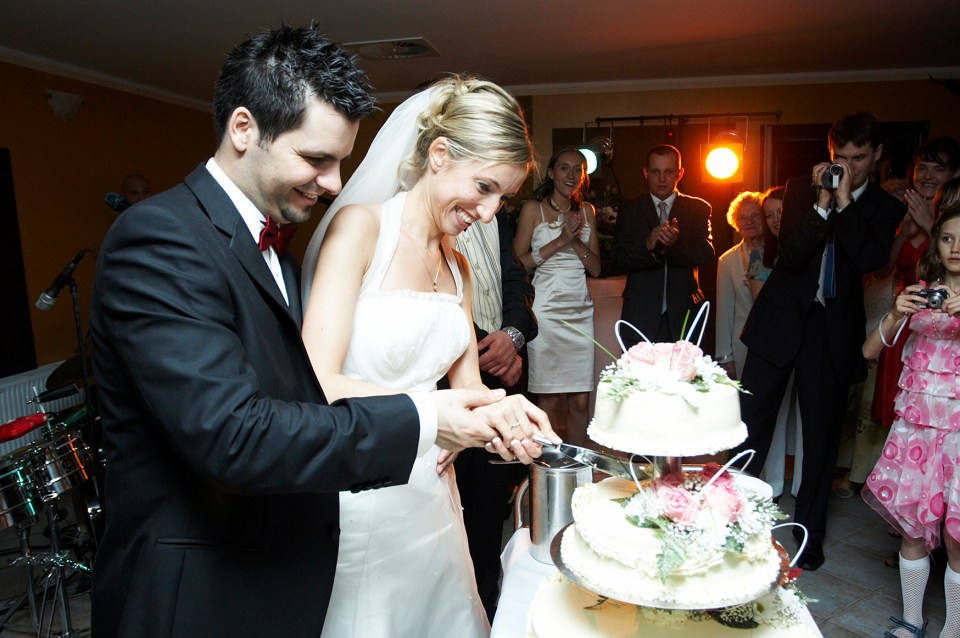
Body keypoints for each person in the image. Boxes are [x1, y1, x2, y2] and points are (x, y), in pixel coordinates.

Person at [89, 28, 552, 638]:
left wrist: (497, 419)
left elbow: (288, 395)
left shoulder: (269, 250)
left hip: (308, 532)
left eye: (340, 161)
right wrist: (426, 416)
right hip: (199, 584)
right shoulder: (161, 238)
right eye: (316, 159)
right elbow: (235, 435)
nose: (334, 182)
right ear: (244, 129)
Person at [300, 76, 545, 638]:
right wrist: (435, 416)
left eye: (502, 197)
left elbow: (468, 391)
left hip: (432, 499)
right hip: (362, 495)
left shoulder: (458, 266)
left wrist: (508, 413)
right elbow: (317, 381)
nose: (490, 212)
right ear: (438, 155)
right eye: (484, 187)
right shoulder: (360, 230)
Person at [734, 112, 906, 571]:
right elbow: (791, 255)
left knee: (821, 438)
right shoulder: (799, 189)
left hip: (831, 332)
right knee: (749, 427)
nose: (848, 166)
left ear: (877, 155)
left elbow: (868, 259)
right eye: (840, 157)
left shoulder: (885, 208)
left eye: (859, 158)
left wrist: (845, 203)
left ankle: (809, 536)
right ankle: (729, 524)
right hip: (780, 321)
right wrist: (822, 203)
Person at [862, 184, 960, 638]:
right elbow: (868, 351)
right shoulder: (921, 293)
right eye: (948, 238)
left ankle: (953, 630)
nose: (955, 248)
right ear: (936, 243)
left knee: (957, 539)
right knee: (912, 530)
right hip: (916, 432)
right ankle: (912, 622)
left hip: (957, 436)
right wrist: (895, 313)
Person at [451, 203, 538, 621]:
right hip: (441, 390)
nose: (491, 205)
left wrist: (512, 336)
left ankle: (487, 613)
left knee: (487, 512)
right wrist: (495, 349)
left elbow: (514, 278)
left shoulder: (493, 212)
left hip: (495, 385)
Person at [513, 147, 601, 445]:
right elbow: (519, 263)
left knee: (580, 402)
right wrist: (561, 239)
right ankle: (546, 465)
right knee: (548, 400)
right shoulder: (532, 209)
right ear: (551, 173)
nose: (571, 174)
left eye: (578, 169)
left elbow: (596, 268)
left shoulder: (587, 211)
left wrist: (575, 241)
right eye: (564, 168)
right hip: (546, 312)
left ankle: (577, 466)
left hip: (580, 311)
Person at [612, 144, 714, 346]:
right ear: (645, 173)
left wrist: (676, 243)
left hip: (684, 315)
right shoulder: (630, 209)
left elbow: (706, 253)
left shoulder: (698, 208)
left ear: (680, 173)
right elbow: (618, 258)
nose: (662, 178)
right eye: (655, 172)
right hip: (640, 316)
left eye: (669, 172)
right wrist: (648, 245)